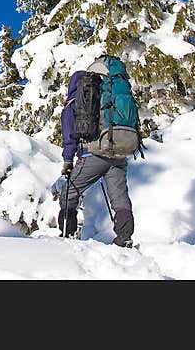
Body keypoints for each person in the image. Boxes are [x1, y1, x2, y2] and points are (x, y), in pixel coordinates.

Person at [58, 57, 136, 248]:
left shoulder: (77, 100)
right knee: (119, 197)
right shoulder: (109, 96)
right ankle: (124, 238)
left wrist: (68, 161)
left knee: (69, 193)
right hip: (119, 152)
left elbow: (70, 135)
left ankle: (66, 234)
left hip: (92, 154)